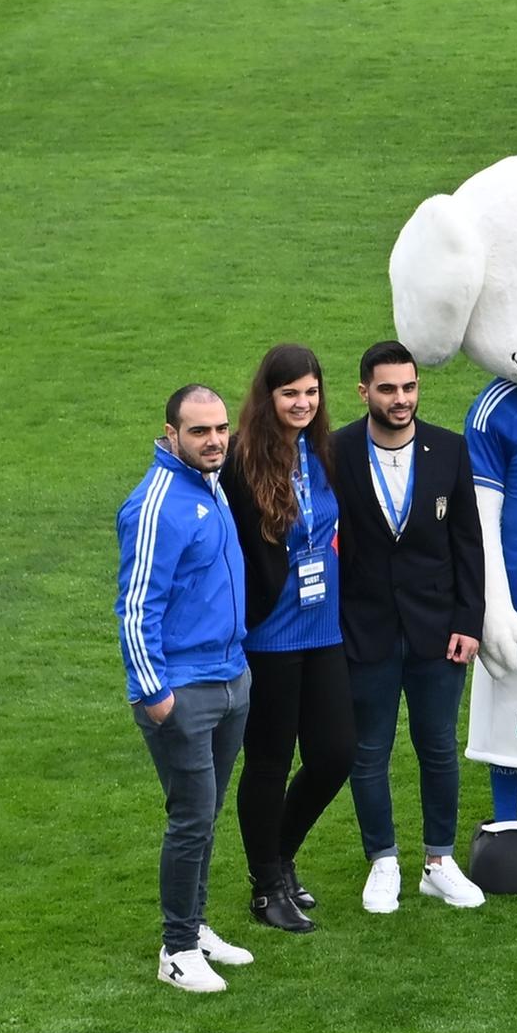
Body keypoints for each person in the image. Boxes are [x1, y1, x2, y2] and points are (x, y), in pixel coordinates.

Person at [332, 341, 488, 915]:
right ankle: (383, 861)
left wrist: (470, 620)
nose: (402, 400)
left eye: (410, 387)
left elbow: (468, 543)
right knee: (368, 750)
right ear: (365, 392)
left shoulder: (448, 449)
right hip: (364, 630)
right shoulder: (337, 451)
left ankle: (439, 862)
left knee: (439, 747)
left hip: (438, 630)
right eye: (389, 389)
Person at [122, 384, 258, 993]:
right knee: (191, 817)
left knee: (205, 815)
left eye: (221, 429)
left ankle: (196, 927)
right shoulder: (155, 504)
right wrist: (156, 694)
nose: (214, 441)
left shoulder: (209, 485)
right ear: (170, 432)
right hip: (182, 690)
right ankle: (176, 949)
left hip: (230, 678)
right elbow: (135, 608)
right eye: (199, 431)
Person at [221, 343, 352, 936]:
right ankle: (266, 887)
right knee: (270, 761)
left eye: (310, 392)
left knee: (333, 755)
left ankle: (279, 856)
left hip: (323, 626)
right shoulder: (243, 459)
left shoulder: (324, 449)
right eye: (289, 393)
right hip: (269, 633)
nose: (302, 403)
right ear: (268, 397)